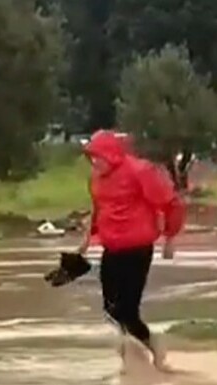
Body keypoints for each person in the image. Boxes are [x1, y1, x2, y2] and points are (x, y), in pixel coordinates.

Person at [78, 130, 186, 372]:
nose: (95, 162)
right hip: (111, 248)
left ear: (111, 155)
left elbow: (171, 203)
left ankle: (148, 349)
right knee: (110, 308)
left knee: (127, 309)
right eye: (91, 158)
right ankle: (134, 352)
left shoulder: (140, 172)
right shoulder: (96, 178)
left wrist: (170, 237)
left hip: (137, 248)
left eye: (98, 157)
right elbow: (99, 209)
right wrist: (87, 240)